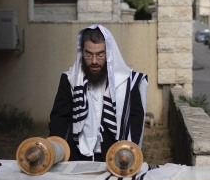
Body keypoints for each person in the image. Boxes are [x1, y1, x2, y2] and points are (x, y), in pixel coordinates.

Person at [49, 25, 148, 162]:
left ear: (109, 54)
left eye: (100, 54)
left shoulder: (127, 82)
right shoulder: (69, 80)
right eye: (88, 55)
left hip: (116, 155)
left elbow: (135, 119)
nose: (94, 61)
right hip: (77, 155)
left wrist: (130, 152)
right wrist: (55, 150)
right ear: (81, 53)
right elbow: (59, 118)